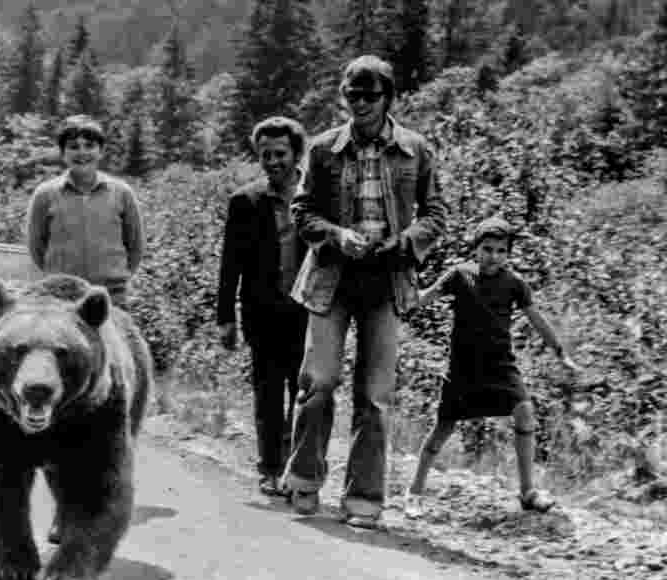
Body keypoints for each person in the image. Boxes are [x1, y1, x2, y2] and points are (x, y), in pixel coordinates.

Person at [283, 55, 448, 527]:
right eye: (351, 93)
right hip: (331, 277)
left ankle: (365, 500)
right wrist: (336, 235)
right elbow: (302, 210)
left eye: (369, 94)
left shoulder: (416, 150)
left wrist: (404, 244)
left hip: (387, 279)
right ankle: (304, 480)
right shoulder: (322, 148)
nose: (359, 102)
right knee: (318, 382)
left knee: (375, 395)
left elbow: (435, 214)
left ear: (388, 97)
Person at [403, 218, 580, 517]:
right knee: (441, 430)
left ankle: (527, 492)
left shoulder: (514, 284)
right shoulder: (460, 274)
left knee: (524, 411)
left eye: (501, 250)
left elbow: (537, 319)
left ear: (508, 253)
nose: (493, 256)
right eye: (487, 249)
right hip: (462, 368)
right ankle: (415, 492)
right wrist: (398, 293)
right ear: (475, 249)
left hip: (500, 365)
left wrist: (561, 352)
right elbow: (422, 298)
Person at [217, 116, 310, 497]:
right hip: (263, 313)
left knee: (305, 393)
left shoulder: (319, 196)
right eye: (265, 155)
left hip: (309, 312)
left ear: (297, 153)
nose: (273, 162)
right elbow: (230, 263)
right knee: (269, 394)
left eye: (281, 154)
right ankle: (270, 468)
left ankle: (299, 468)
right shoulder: (245, 201)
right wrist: (226, 317)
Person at [26, 115, 145, 308]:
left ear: (101, 151)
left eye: (89, 145)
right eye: (73, 146)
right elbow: (36, 248)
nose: (82, 152)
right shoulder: (45, 195)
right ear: (63, 153)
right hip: (60, 298)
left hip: (111, 297)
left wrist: (115, 280)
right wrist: (60, 281)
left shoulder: (121, 192)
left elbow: (136, 246)